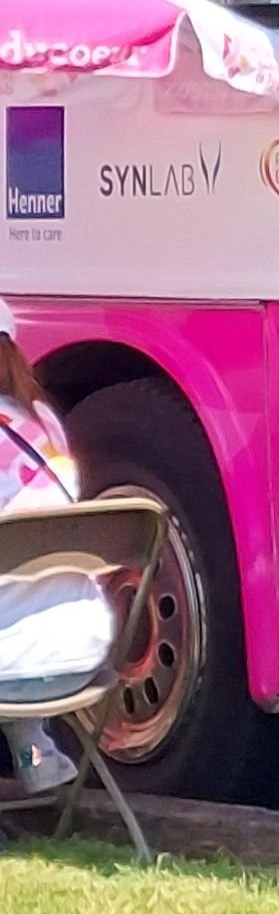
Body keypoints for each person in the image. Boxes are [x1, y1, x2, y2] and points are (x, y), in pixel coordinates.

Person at [0, 313, 97, 796]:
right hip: (83, 648)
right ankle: (36, 756)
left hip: (11, 660)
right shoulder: (46, 424)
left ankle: (33, 753)